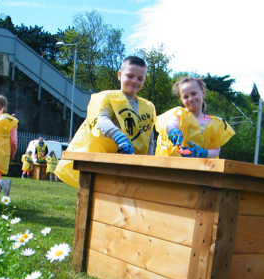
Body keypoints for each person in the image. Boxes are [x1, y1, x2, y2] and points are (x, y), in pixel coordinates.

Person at [55, 56, 156, 188]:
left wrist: (149, 161)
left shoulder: (147, 107)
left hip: (134, 167)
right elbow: (101, 119)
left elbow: (149, 135)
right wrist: (118, 136)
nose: (134, 81)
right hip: (105, 165)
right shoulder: (108, 98)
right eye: (130, 76)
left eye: (140, 78)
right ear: (120, 75)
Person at [155, 77, 234, 158]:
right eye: (186, 96)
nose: (190, 99)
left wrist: (202, 153)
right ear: (182, 100)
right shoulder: (180, 114)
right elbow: (171, 124)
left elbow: (216, 151)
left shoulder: (214, 123)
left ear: (203, 93)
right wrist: (173, 131)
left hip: (201, 168)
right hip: (178, 167)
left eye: (193, 93)